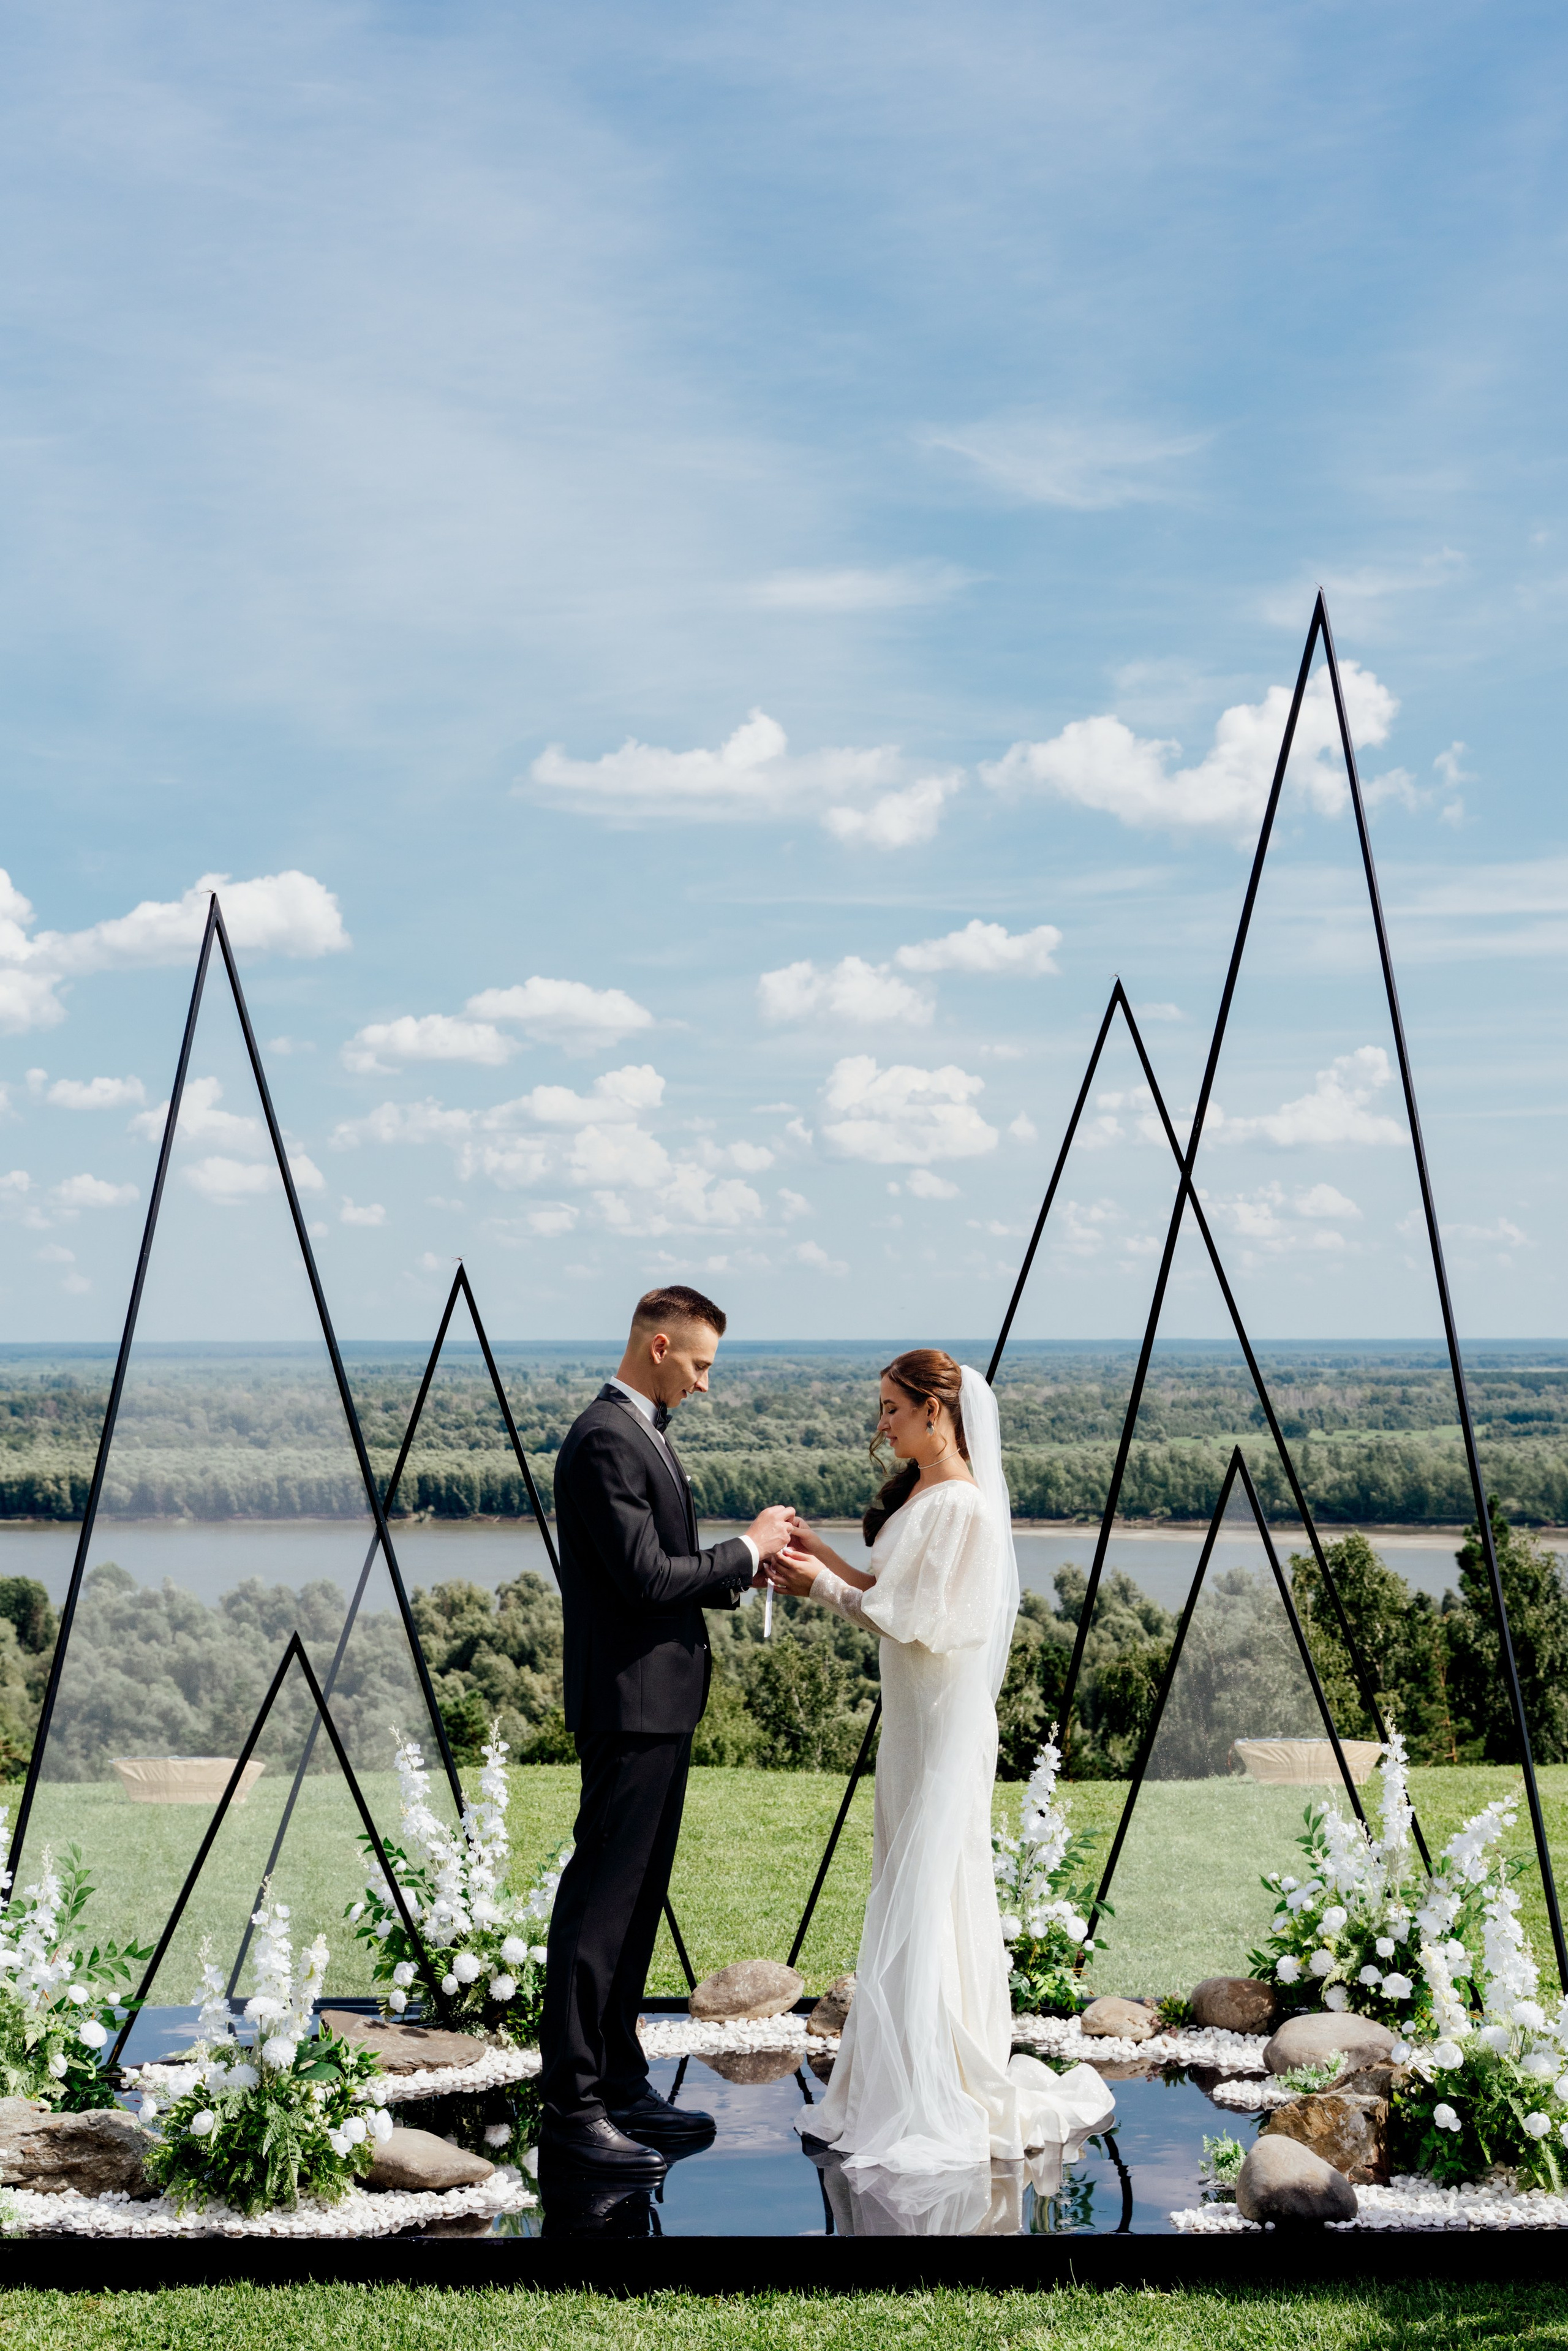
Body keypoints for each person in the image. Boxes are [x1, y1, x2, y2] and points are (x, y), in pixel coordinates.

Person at [767, 1349, 1113, 2181]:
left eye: (892, 1407)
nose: (881, 1422)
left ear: (937, 1410)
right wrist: (821, 1554)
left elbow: (916, 1621)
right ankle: (901, 2069)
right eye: (881, 1406)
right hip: (913, 1723)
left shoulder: (964, 1506)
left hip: (942, 1722)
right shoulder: (928, 1492)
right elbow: (890, 1584)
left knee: (929, 1885)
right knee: (905, 1876)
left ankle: (933, 2082)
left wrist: (819, 1588)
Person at [538, 1284, 796, 2178]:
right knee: (600, 1907)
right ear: (657, 1345)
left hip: (660, 1703)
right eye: (699, 1363)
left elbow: (656, 1569)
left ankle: (617, 2077)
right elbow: (646, 1577)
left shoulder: (639, 1430)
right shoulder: (605, 1437)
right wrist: (750, 1547)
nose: (706, 1383)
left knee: (638, 1901)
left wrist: (743, 1572)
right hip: (628, 1705)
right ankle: (571, 2105)